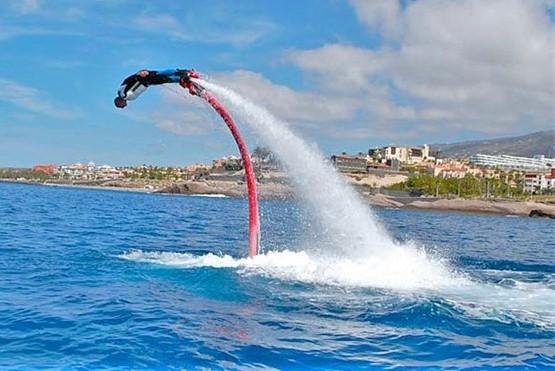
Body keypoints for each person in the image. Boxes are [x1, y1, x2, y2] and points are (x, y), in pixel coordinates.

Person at [114, 69, 197, 108]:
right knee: (164, 78)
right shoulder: (128, 97)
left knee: (161, 75)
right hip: (147, 82)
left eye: (120, 106)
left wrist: (138, 75)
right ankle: (184, 78)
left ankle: (183, 74)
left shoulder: (122, 94)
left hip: (143, 78)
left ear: (119, 102)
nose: (123, 107)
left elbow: (127, 81)